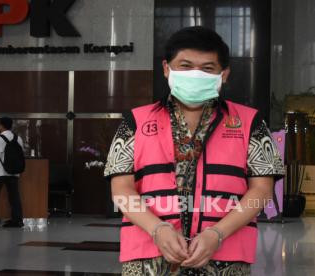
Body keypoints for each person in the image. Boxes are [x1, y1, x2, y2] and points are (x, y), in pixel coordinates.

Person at [104, 26, 284, 275]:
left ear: (224, 74)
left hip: (225, 256)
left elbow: (261, 190)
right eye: (185, 66)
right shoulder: (134, 122)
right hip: (148, 255)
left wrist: (217, 234)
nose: (195, 74)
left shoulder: (250, 123)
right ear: (166, 69)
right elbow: (121, 188)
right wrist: (158, 229)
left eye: (207, 68)